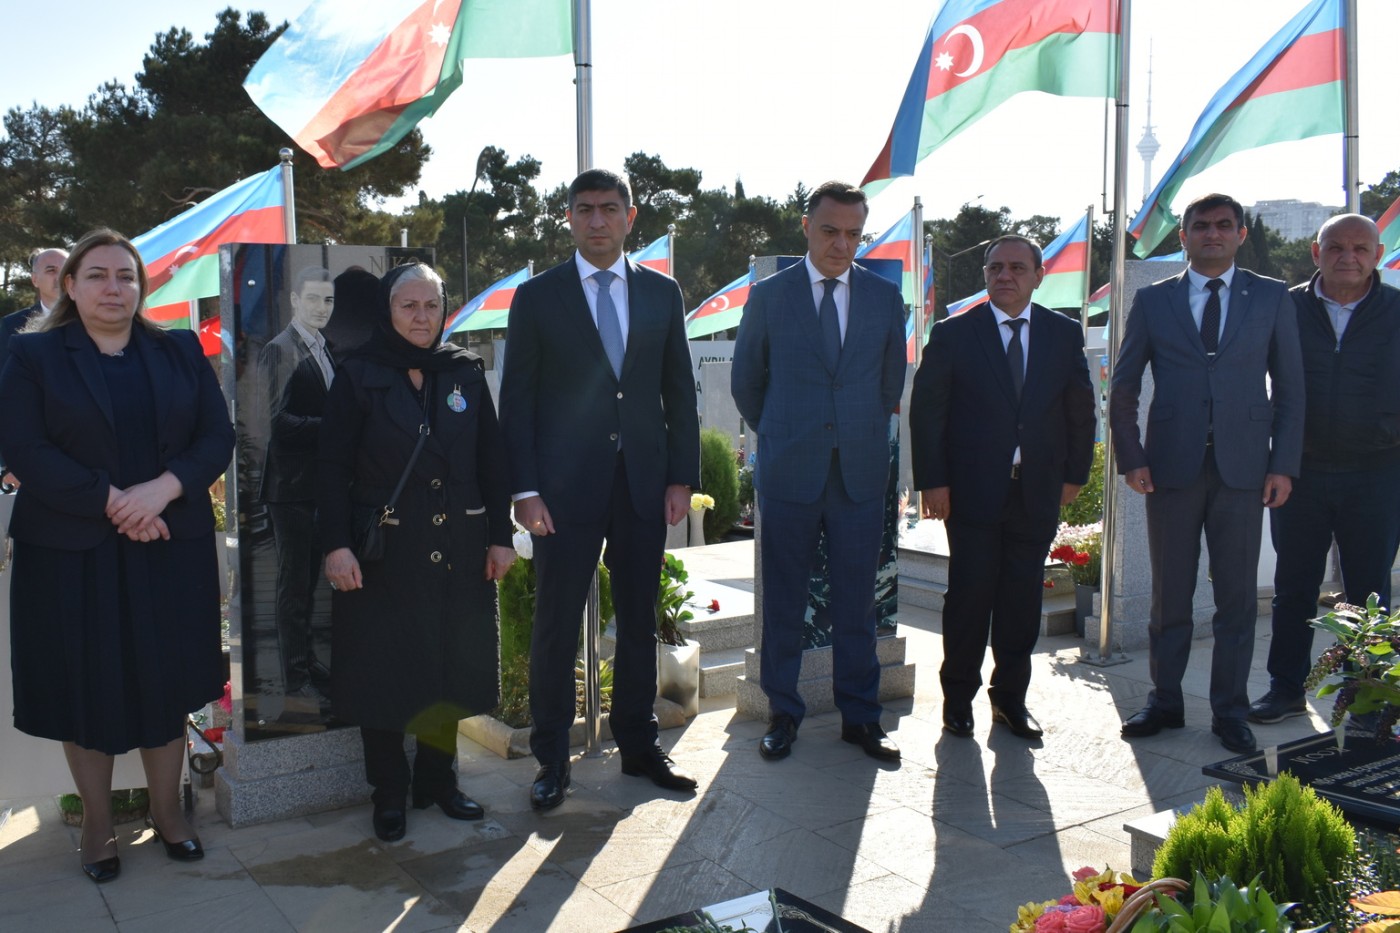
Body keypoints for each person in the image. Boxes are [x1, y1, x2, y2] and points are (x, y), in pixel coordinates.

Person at [0, 229, 234, 883]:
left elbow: (217, 435)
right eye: (98, 274)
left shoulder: (181, 350)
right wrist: (112, 501)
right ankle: (98, 826)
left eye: (126, 276)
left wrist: (163, 488)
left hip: (169, 545)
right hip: (72, 551)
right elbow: (23, 446)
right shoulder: (34, 356)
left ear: (142, 286)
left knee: (165, 684)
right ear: (69, 285)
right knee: (85, 683)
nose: (113, 287)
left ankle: (169, 813)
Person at [499, 168, 700, 810]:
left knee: (639, 621)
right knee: (557, 624)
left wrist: (680, 477)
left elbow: (679, 394)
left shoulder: (664, 295)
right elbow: (518, 402)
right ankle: (552, 760)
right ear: (568, 219)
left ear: (630, 217)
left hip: (643, 486)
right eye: (584, 209)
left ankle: (639, 747)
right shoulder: (537, 297)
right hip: (561, 494)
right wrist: (524, 490)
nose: (596, 221)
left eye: (609, 209)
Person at [317, 262, 514, 842]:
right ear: (387, 310)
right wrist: (336, 545)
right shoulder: (358, 374)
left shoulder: (464, 371)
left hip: (457, 542)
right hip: (383, 549)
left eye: (431, 305)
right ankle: (390, 791)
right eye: (408, 306)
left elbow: (491, 461)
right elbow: (330, 469)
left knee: (445, 666)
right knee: (384, 670)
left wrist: (500, 535)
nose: (421, 317)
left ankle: (438, 781)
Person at [1110, 193, 1303, 754]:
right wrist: (1132, 456)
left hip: (1245, 470)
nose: (1212, 234)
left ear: (1241, 234)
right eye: (1201, 226)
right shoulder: (1153, 301)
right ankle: (1165, 701)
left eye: (1224, 226)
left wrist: (1283, 465)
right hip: (1169, 469)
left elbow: (1291, 389)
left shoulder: (1270, 298)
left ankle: (1229, 711)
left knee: (1238, 600)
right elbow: (1123, 387)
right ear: (1184, 236)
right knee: (1169, 595)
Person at [730, 180, 907, 763]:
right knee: (784, 602)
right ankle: (783, 714)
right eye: (830, 231)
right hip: (789, 473)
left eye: (854, 234)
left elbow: (888, 383)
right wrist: (784, 433)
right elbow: (746, 383)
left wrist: (853, 432)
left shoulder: (883, 298)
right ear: (807, 227)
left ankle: (861, 716)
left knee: (859, 603)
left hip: (857, 475)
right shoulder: (770, 296)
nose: (841, 244)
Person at [910, 235, 1097, 741]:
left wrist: (1074, 475)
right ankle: (957, 701)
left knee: (1021, 601)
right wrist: (933, 483)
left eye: (1017, 267)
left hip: (1036, 490)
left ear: (1039, 276)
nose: (1004, 276)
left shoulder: (1062, 334)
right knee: (969, 599)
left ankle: (1010, 701)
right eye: (995, 268)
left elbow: (1081, 410)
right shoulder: (954, 334)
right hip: (970, 493)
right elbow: (928, 414)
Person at [1250, 214, 1400, 724]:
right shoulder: (1285, 308)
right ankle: (1286, 688)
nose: (1348, 256)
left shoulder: (1398, 310)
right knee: (1294, 586)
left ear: (1377, 255)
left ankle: (1367, 698)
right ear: (1317, 252)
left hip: (1378, 470)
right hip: (1300, 469)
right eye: (1336, 246)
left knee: (1370, 591)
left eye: (1360, 247)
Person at [258, 266, 337, 707]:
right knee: (292, 587)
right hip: (289, 489)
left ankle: (307, 664)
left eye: (327, 301)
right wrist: (335, 428)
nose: (320, 308)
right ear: (294, 301)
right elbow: (275, 422)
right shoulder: (279, 349)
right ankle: (294, 680)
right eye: (313, 300)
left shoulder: (327, 348)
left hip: (317, 485)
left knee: (308, 585)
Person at [0, 247, 69, 487]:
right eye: (51, 270)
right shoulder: (11, 327)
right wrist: (10, 463)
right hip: (34, 460)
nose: (59, 277)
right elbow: (6, 398)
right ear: (34, 280)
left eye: (65, 270)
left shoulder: (97, 320)